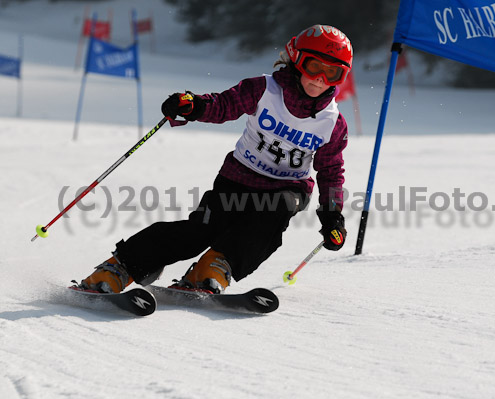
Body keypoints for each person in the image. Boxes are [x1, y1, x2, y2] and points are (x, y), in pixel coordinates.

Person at [78, 24, 352, 294]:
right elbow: (224, 105)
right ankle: (122, 266)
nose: (320, 79)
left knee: (268, 221)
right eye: (314, 66)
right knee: (200, 231)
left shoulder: (332, 123)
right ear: (295, 59)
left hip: (287, 188)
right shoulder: (264, 90)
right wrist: (194, 105)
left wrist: (332, 216)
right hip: (238, 179)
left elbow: (330, 171)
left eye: (333, 73)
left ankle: (215, 267)